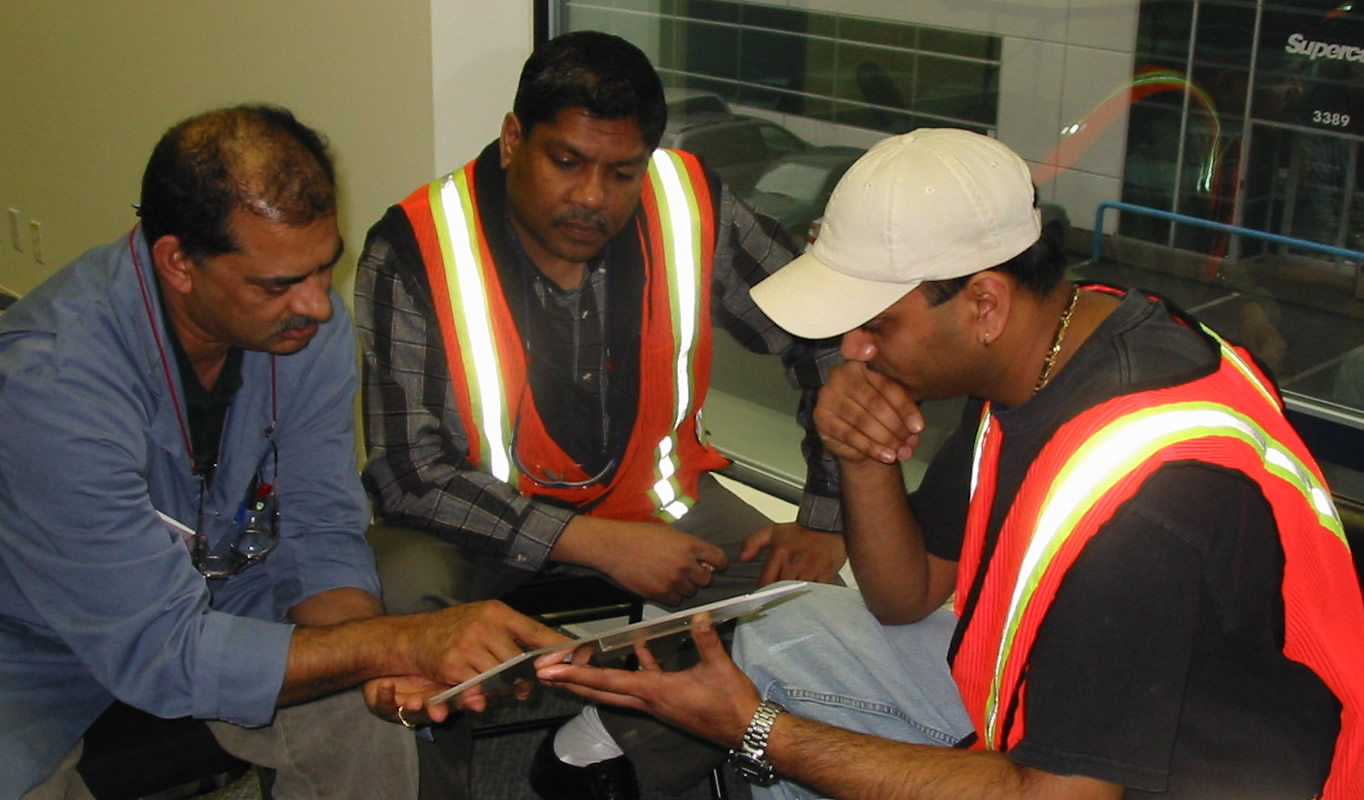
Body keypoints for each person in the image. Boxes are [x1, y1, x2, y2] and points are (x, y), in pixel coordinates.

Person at [536, 129, 1364, 799]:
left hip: (1185, 778)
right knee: (778, 628)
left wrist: (760, 733)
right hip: (1063, 712)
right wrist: (861, 455)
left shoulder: (1145, 496)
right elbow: (906, 597)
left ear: (983, 303)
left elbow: (1056, 796)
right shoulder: (1053, 345)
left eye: (875, 324)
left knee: (777, 734)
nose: (850, 350)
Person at [0, 104, 568, 800]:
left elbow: (319, 527)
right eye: (278, 284)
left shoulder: (302, 333)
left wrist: (375, 662)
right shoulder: (53, 387)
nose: (319, 306)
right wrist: (398, 641)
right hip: (33, 643)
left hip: (227, 598)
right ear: (178, 262)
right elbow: (159, 653)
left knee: (367, 719)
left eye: (324, 268)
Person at [354, 29, 846, 799]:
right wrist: (591, 541)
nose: (592, 197)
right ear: (514, 139)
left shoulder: (688, 201)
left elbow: (831, 342)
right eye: (567, 162)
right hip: (465, 527)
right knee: (397, 605)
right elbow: (406, 472)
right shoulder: (414, 245)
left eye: (622, 173)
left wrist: (822, 516)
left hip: (663, 506)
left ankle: (605, 753)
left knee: (814, 613)